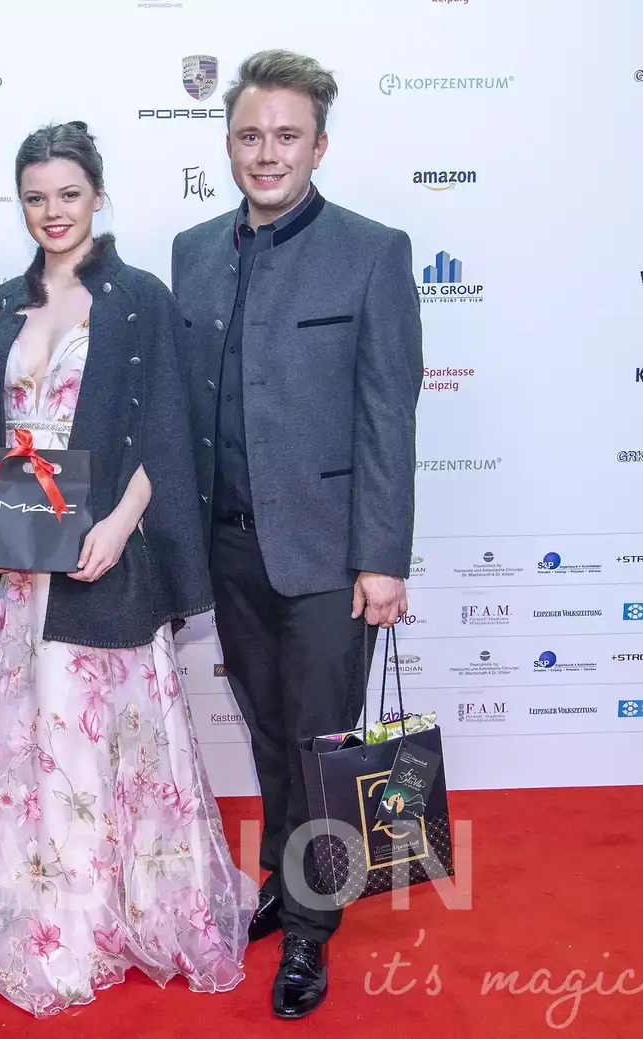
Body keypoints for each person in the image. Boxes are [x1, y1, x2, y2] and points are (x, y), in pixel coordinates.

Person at [0, 121, 256, 1018]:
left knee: (102, 741)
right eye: (35, 197)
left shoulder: (140, 299)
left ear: (98, 195)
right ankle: (49, 918)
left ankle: (124, 910)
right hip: (19, 567)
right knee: (33, 737)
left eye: (69, 194)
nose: (52, 212)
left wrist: (122, 525)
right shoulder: (1, 304)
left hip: (103, 559)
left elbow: (169, 427)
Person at [171, 50, 422, 1019]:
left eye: (286, 135)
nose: (266, 153)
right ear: (227, 143)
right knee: (271, 735)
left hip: (327, 557)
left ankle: (313, 929)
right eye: (249, 135)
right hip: (227, 548)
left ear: (319, 145)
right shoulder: (193, 250)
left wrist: (381, 560)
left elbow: (387, 416)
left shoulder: (372, 250)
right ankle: (286, 877)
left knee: (322, 744)